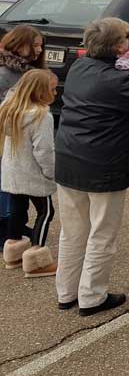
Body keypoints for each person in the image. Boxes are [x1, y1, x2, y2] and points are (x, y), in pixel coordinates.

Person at [55, 18, 129, 316]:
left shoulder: (79, 68)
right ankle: (92, 296)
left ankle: (66, 291)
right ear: (119, 46)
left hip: (68, 159)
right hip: (104, 165)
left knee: (73, 231)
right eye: (127, 38)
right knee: (102, 233)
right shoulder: (122, 80)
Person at [1, 70, 58, 277]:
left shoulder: (9, 109)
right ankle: (37, 259)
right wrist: (52, 173)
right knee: (46, 212)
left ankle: (14, 252)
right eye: (52, 89)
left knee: (17, 208)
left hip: (13, 172)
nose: (55, 93)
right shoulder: (42, 116)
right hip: (34, 174)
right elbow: (44, 150)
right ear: (41, 92)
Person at [0, 26, 46, 246]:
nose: (39, 50)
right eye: (34, 45)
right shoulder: (6, 74)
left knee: (14, 189)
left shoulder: (27, 70)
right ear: (19, 45)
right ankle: (4, 228)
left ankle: (13, 227)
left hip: (17, 137)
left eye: (40, 45)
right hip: (6, 137)